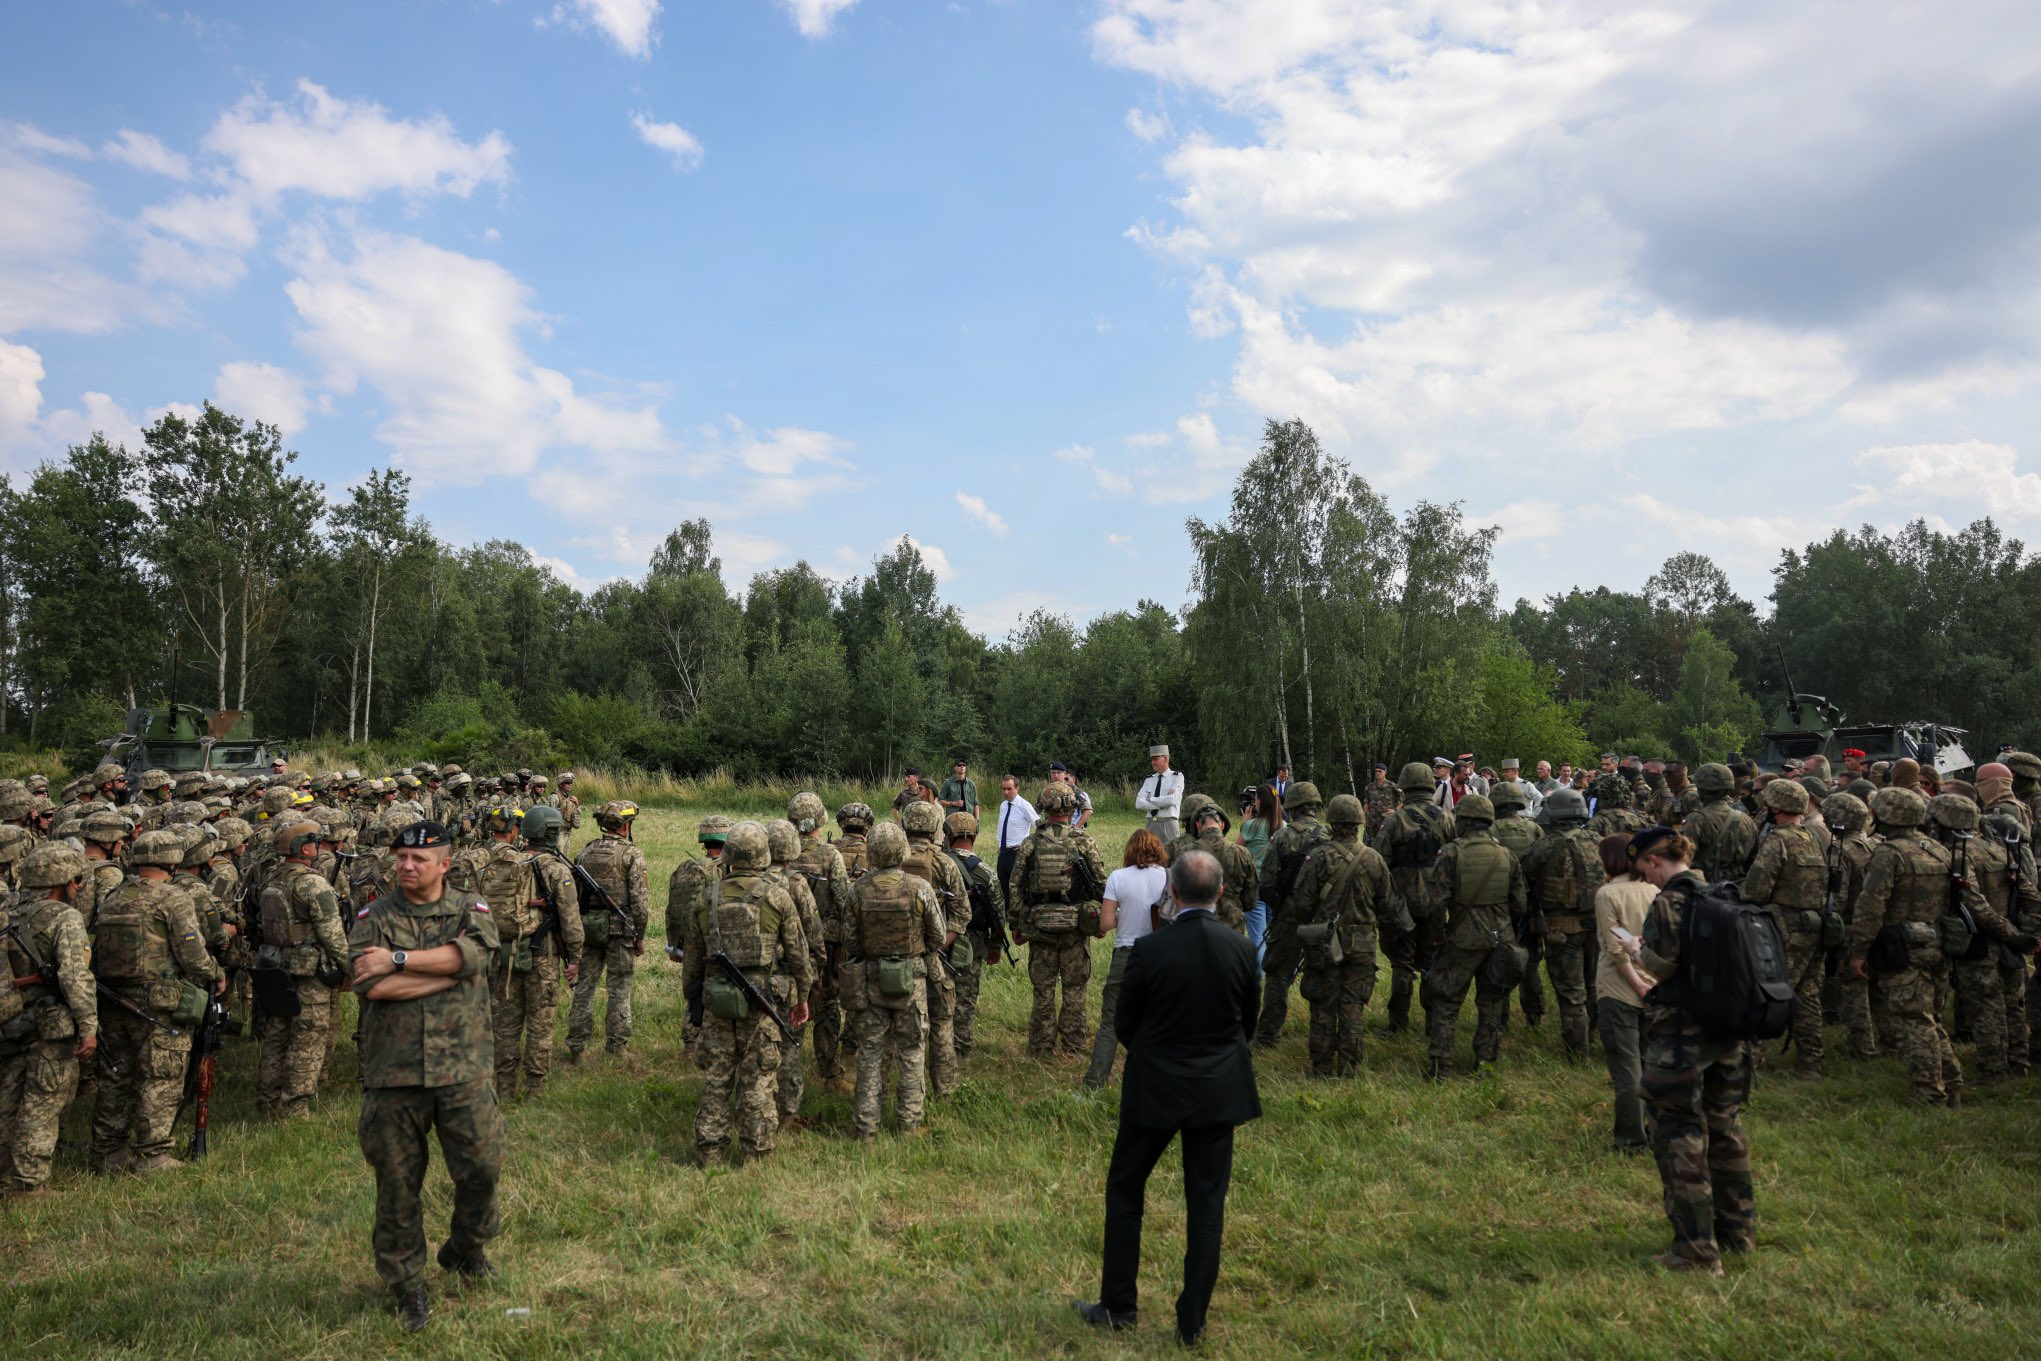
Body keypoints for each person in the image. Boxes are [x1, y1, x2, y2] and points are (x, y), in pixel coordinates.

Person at [1071, 851, 1260, 1347]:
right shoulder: (1240, 949)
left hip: (1155, 1086)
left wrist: (1157, 1054)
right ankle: (1191, 1322)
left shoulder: (1151, 951)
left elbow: (1125, 1022)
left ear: (1171, 893)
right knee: (1206, 1204)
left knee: (1125, 1190)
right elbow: (1247, 1025)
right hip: (1217, 1090)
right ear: (1219, 894)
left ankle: (1118, 1306)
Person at [351, 821, 503, 1331]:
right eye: (400, 858)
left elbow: (474, 956)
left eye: (419, 859)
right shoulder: (375, 915)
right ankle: (406, 1284)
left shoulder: (470, 908)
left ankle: (464, 1248)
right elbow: (370, 986)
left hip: (464, 1068)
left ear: (445, 864)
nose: (407, 866)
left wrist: (398, 961)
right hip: (394, 1074)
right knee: (397, 1184)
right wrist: (447, 972)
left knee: (481, 1168)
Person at [1621, 827, 1752, 1276]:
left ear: (1656, 861)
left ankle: (1696, 1251)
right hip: (1727, 1029)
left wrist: (1636, 950)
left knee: (1679, 1135)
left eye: (1645, 869)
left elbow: (1664, 965)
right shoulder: (1721, 894)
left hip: (1681, 1033)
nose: (1646, 879)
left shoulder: (1669, 903)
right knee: (1726, 1130)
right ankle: (1738, 1232)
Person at [89, 829, 225, 1174]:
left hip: (115, 1001)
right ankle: (152, 1155)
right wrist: (216, 971)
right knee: (160, 1076)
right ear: (172, 860)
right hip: (160, 1004)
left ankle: (108, 1153)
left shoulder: (115, 895)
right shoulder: (172, 898)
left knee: (117, 1076)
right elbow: (193, 956)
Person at [680, 822, 811, 1163]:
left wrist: (695, 1001)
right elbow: (799, 955)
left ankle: (710, 1151)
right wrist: (802, 998)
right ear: (764, 856)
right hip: (763, 1000)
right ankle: (756, 1152)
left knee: (717, 1078)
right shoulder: (777, 896)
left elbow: (692, 962)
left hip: (717, 998)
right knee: (759, 1078)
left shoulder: (706, 897)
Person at [0, 844, 98, 1200]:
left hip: (10, 1019)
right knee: (42, 1103)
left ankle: (5, 1175)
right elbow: (75, 976)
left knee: (7, 1099)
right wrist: (88, 1027)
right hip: (48, 1024)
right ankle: (28, 1184)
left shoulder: (7, 909)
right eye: (77, 880)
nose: (79, 887)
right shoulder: (63, 917)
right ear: (63, 882)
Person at [840, 823, 941, 1139]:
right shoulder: (919, 888)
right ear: (903, 851)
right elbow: (937, 935)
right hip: (911, 979)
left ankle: (865, 1127)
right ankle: (909, 1125)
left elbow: (849, 940)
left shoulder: (857, 890)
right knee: (911, 1051)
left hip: (870, 980)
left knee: (871, 1052)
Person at [1420, 796, 1527, 1079]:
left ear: (1464, 821)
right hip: (1500, 940)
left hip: (1462, 940)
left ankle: (1440, 1066)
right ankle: (1486, 1064)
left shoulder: (1451, 853)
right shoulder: (1507, 856)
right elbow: (1520, 905)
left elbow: (1435, 904)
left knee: (1446, 1001)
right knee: (1492, 1003)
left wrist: (1437, 937)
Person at [252, 820, 350, 1120]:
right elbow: (332, 934)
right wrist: (350, 967)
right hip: (309, 971)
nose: (318, 847)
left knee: (277, 1035)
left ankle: (268, 1101)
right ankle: (296, 1106)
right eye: (315, 842)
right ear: (305, 847)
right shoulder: (313, 882)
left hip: (275, 966)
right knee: (308, 1037)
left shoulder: (271, 878)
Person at [1289, 794, 1390, 1076]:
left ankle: (1321, 1068)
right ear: (1359, 822)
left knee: (1323, 1004)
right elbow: (1388, 904)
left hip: (1324, 941)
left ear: (1331, 822)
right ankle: (1349, 1067)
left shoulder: (1318, 857)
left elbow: (1301, 903)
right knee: (1353, 1005)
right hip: (1362, 945)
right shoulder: (1374, 859)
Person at [1009, 783, 1109, 1059]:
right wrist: (1099, 920)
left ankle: (1041, 1047)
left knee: (1043, 991)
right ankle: (1074, 1047)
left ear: (1044, 807)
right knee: (1075, 989)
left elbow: (1015, 886)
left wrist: (1016, 924)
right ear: (1070, 808)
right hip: (1075, 928)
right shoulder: (1083, 841)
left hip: (1040, 926)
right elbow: (1102, 884)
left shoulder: (1031, 842)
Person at [1740, 779, 1829, 1078]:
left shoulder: (1778, 840)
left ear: (1775, 806)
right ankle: (1810, 1062)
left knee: (1768, 991)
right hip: (1814, 926)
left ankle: (1751, 1063)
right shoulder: (1812, 836)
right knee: (1809, 995)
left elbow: (1756, 888)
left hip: (1783, 929)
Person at [1082, 829, 1170, 1090]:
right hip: (1160, 955)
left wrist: (1123, 915)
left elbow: (1107, 922)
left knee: (1110, 1022)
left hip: (1126, 955)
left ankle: (1094, 1085)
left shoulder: (1118, 877)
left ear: (1129, 851)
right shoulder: (1168, 876)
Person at [1373, 763, 1455, 1035]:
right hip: (1435, 905)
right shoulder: (1445, 819)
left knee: (1402, 964)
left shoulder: (1395, 821)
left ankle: (1398, 1023)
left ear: (1405, 788)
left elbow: (1378, 863)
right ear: (1430, 787)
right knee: (1432, 962)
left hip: (1401, 906)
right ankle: (1433, 1022)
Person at [567, 801, 649, 1062]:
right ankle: (617, 1046)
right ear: (625, 827)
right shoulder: (631, 854)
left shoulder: (585, 851)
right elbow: (640, 901)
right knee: (619, 989)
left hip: (589, 928)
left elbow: (575, 894)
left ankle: (577, 1046)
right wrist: (640, 936)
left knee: (584, 988)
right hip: (620, 930)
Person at [1250, 782, 1329, 1049]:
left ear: (1291, 807)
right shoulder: (1330, 835)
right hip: (1322, 921)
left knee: (1277, 974)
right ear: (1316, 806)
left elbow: (1267, 882)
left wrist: (1280, 907)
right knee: (1327, 972)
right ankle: (1326, 1031)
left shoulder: (1283, 837)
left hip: (1291, 919)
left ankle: (1267, 1036)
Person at [1592, 834, 1656, 1153]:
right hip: (1655, 985)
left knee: (1627, 1069)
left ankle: (1631, 1140)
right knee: (1651, 1064)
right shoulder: (1656, 890)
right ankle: (1657, 1130)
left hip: (1620, 989)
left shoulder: (1607, 894)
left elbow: (1615, 951)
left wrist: (1636, 985)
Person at [993, 775, 1037, 897]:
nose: (1006, 792)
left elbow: (1038, 826)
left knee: (1017, 890)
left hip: (1016, 854)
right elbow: (1000, 827)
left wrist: (1027, 845)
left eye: (1009, 789)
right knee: (1003, 890)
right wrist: (999, 844)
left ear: (1017, 788)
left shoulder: (1024, 806)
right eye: (1003, 789)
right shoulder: (1003, 805)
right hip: (1003, 853)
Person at [1134, 745, 1184, 844]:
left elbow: (1172, 800)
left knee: (1171, 856)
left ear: (1165, 758)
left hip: (1168, 823)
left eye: (1156, 759)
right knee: (1149, 856)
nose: (1152, 762)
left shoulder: (1177, 777)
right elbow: (1138, 804)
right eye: (1152, 759)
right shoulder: (1149, 779)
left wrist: (1150, 799)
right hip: (1150, 822)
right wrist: (1162, 804)